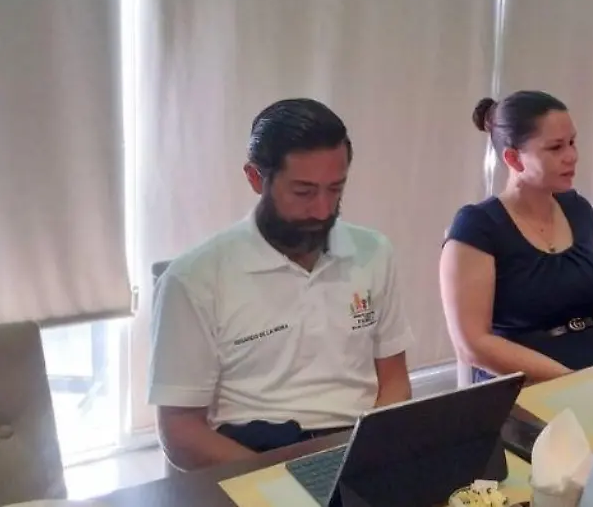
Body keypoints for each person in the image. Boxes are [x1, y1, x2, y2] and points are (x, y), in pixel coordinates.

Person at [148, 99, 414, 471]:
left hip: (353, 445)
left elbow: (395, 381)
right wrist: (284, 480)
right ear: (256, 178)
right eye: (303, 192)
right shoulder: (194, 279)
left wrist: (371, 454)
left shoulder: (373, 252)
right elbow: (180, 432)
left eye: (335, 189)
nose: (323, 210)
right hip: (251, 454)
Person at [440, 91, 593, 384]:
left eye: (572, 142)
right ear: (513, 158)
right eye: (555, 147)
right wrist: (572, 382)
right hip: (525, 384)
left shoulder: (578, 209)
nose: (572, 156)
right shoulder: (478, 227)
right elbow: (473, 344)